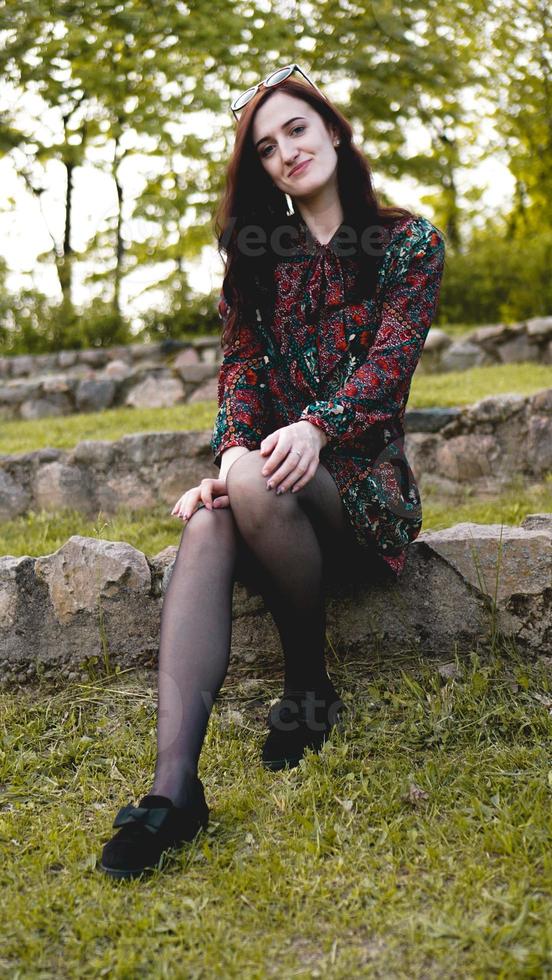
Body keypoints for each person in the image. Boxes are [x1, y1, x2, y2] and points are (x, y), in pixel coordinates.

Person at [99, 65, 446, 879]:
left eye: (296, 129)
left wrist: (315, 430)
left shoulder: (408, 242)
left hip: (366, 499)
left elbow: (387, 371)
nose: (286, 151)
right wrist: (228, 456)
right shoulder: (258, 259)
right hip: (273, 493)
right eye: (265, 147)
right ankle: (174, 790)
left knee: (252, 480)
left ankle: (307, 684)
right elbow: (241, 377)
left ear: (332, 129)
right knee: (214, 510)